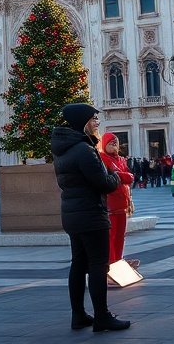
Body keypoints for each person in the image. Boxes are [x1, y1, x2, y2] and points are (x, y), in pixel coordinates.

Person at [51, 103, 130, 332]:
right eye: (94, 119)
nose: (97, 123)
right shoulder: (84, 149)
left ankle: (78, 315)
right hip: (91, 213)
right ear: (84, 122)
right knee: (98, 265)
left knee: (78, 264)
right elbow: (103, 182)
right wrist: (115, 176)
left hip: (72, 214)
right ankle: (102, 316)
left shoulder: (62, 148)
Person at [98, 132, 137, 268]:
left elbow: (130, 177)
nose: (114, 145)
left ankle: (118, 261)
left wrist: (120, 176)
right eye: (111, 143)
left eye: (116, 143)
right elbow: (113, 177)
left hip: (122, 203)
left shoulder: (121, 159)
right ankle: (112, 264)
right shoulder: (102, 158)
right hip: (111, 205)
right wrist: (122, 176)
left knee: (120, 236)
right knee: (111, 237)